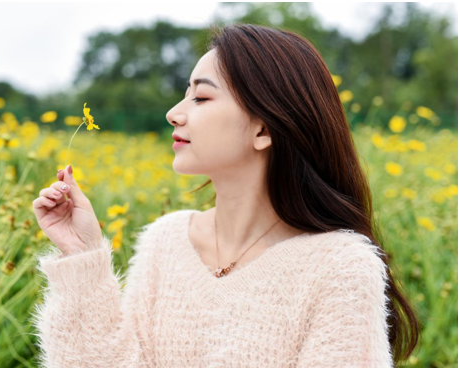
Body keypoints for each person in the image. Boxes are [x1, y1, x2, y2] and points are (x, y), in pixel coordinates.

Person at [31, 24, 420, 368]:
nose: (173, 113)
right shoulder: (165, 241)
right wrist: (82, 255)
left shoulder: (340, 267)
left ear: (263, 130)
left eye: (201, 98)